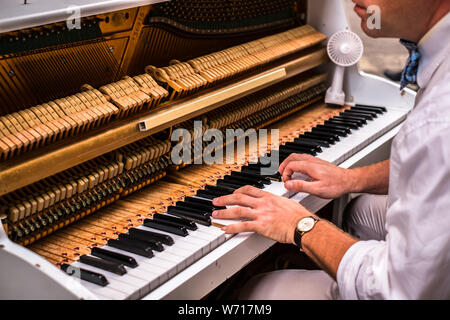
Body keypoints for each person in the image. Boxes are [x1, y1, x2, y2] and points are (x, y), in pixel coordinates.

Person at [211, 0, 450, 299]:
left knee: (259, 293)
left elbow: (398, 290)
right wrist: (352, 179)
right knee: (359, 212)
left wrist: (301, 225)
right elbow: (434, 168)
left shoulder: (439, 119)